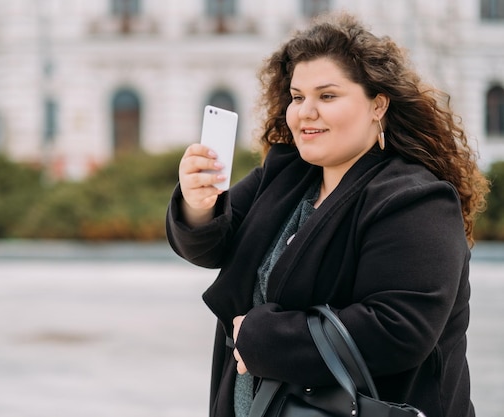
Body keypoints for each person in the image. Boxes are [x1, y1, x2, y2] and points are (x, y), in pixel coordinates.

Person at [166, 12, 489, 417]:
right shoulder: (285, 174)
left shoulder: (415, 199)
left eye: (328, 96)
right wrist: (199, 204)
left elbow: (397, 329)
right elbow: (213, 244)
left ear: (378, 105)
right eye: (298, 97)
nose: (305, 111)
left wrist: (259, 338)